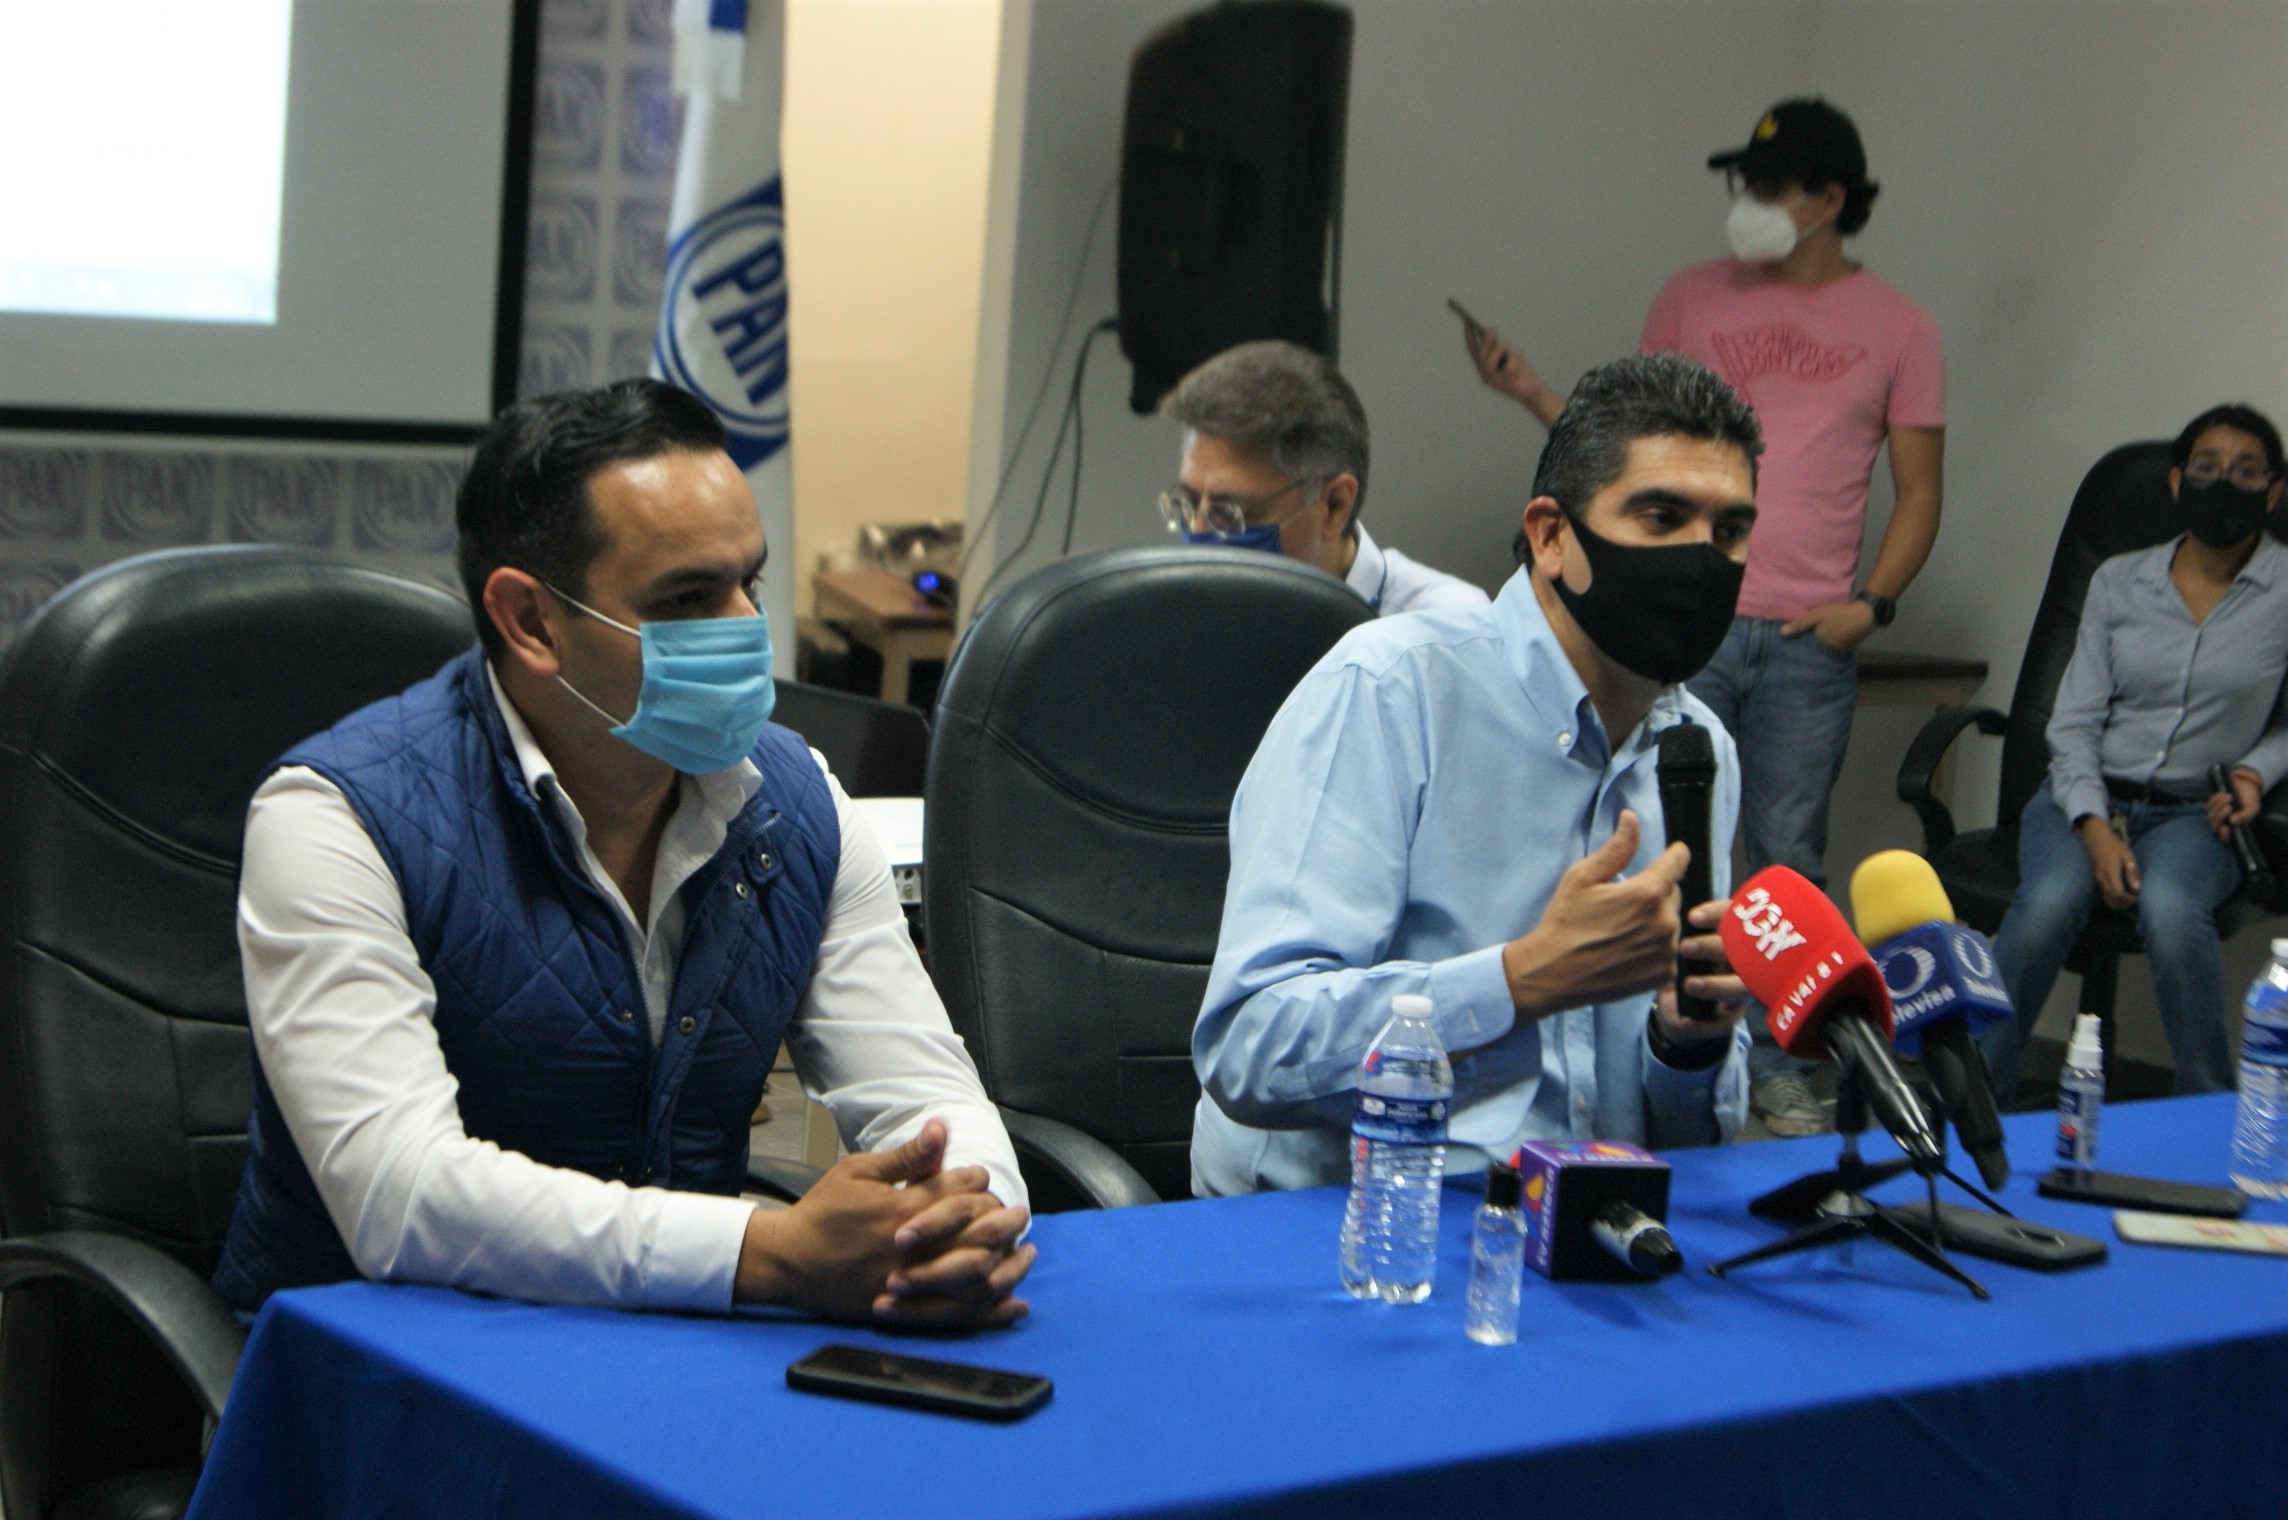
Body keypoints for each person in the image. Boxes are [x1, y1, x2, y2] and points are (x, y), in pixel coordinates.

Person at [211, 379, 1033, 1326]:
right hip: (370, 1365)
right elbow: (402, 1198)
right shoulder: (334, 817)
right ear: (530, 622)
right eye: (686, 598)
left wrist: (952, 1226)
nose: (743, 627)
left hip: (672, 1348)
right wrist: (767, 1252)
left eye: (750, 582)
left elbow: (928, 1095)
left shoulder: (797, 802)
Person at [1461, 97, 1945, 1136]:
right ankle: (1635, 1070)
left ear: (1828, 199)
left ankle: (1765, 1066)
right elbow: (1620, 447)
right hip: (1677, 634)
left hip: (1807, 637)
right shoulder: (1691, 295)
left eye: (1770, 185)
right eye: (1745, 182)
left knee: (1783, 863)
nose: (1749, 201)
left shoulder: (1898, 325)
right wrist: (1535, 392)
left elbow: (1920, 489)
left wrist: (1869, 606)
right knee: (1655, 857)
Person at [1191, 354, 1758, 1197]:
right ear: (1551, 536)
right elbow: (1251, 1044)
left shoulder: (1697, 750)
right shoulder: (1389, 690)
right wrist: (1521, 981)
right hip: (1358, 1224)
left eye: (1730, 530)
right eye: (1661, 516)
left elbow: (1694, 1139)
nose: (1700, 558)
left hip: (1582, 1223)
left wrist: (1686, 1046)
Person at [1981, 405, 2288, 1101]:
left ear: (2274, 492)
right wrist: (2093, 827)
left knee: (2174, 912)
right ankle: (1974, 1097)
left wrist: (2254, 773)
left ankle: (2205, 1109)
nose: (2224, 484)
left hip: (2194, 815)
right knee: (2047, 904)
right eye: (2206, 468)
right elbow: (2074, 723)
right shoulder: (2120, 581)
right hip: (2082, 797)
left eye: (2246, 472)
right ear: (2177, 483)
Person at [1160, 339, 1489, 616]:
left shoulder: (1449, 632)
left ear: (1335, 505)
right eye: (1188, 504)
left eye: (1231, 514)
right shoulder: (1173, 622)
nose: (1197, 534)